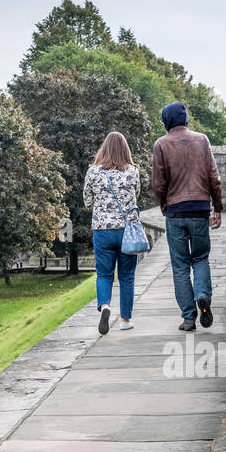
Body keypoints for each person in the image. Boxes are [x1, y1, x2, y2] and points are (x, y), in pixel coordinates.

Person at [151, 102, 222, 331]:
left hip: (175, 211)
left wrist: (164, 205)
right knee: (200, 258)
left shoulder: (161, 144)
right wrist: (217, 207)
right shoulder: (202, 140)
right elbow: (214, 177)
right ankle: (202, 295)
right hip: (200, 209)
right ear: (185, 119)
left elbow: (159, 183)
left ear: (167, 121)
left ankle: (189, 318)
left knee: (180, 266)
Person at [83, 131, 141, 334]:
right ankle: (125, 319)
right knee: (127, 276)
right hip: (127, 232)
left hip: (102, 230)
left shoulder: (93, 172)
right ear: (125, 149)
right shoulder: (133, 171)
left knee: (104, 274)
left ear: (104, 148)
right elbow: (136, 196)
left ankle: (105, 306)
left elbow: (87, 201)